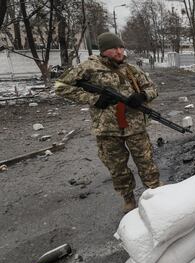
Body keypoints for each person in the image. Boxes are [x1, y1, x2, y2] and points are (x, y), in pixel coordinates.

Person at [55, 32, 161, 213]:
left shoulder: (131, 69)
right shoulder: (88, 68)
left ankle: (156, 194)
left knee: (146, 161)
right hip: (107, 129)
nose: (120, 52)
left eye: (121, 48)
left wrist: (142, 96)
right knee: (117, 166)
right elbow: (60, 86)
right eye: (114, 49)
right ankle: (128, 199)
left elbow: (153, 88)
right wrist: (93, 99)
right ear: (104, 51)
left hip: (134, 125)